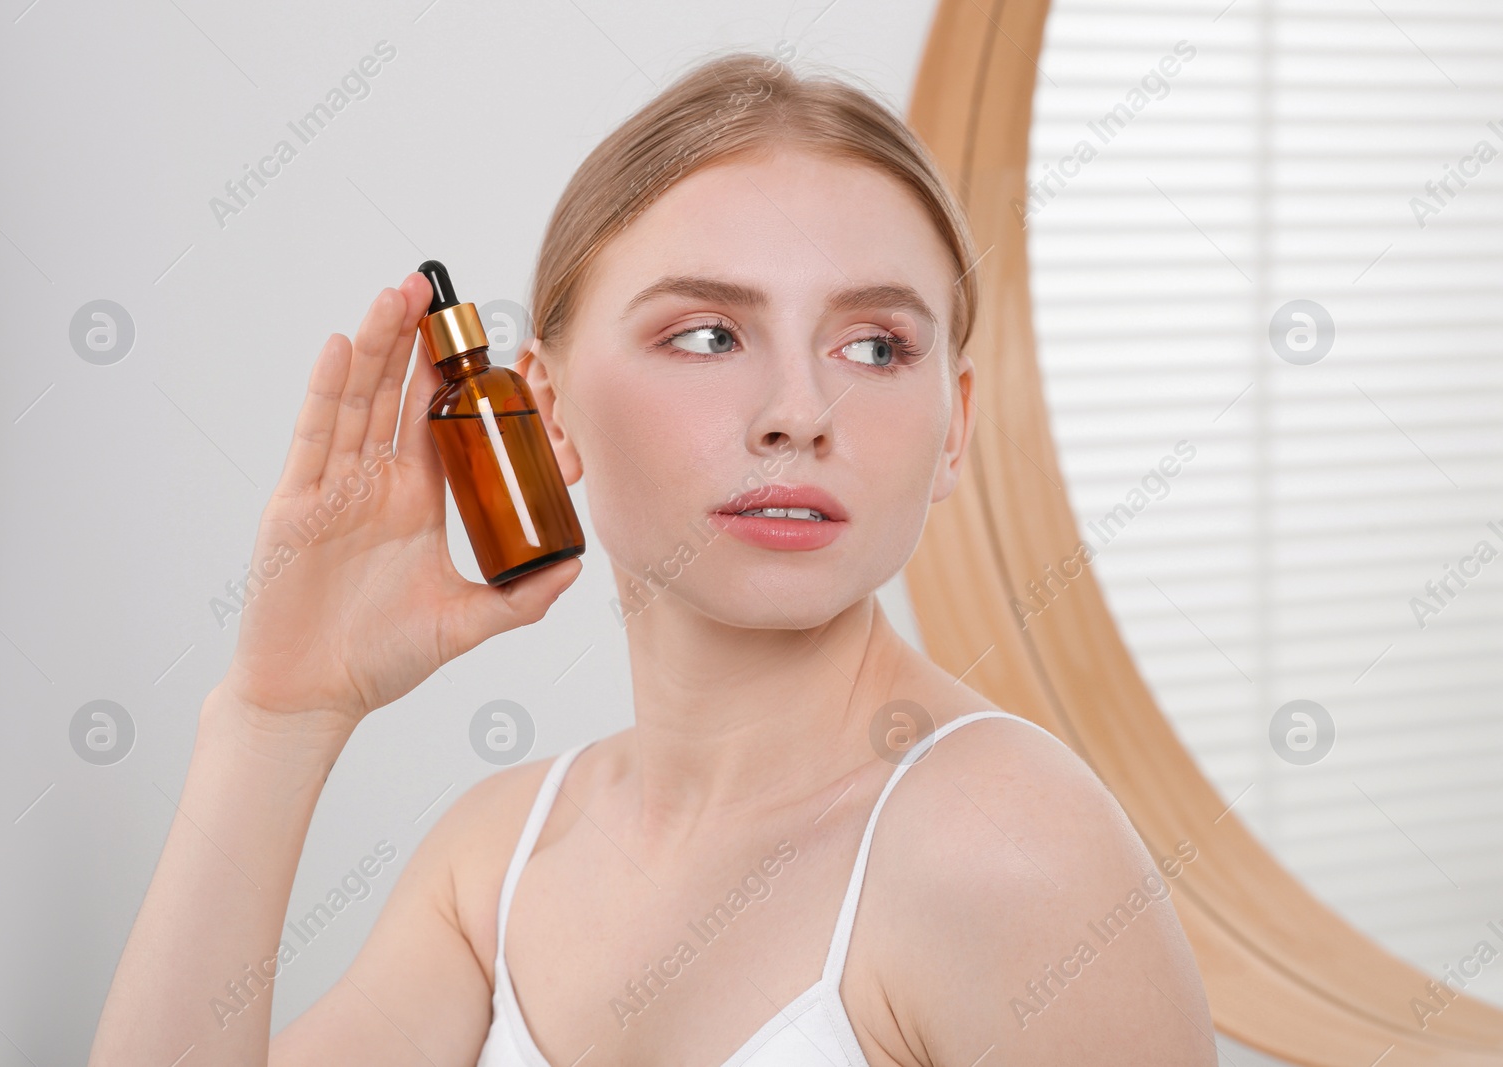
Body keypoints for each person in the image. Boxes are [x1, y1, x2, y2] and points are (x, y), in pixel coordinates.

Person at [90, 50, 1215, 1066]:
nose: (796, 411)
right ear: (546, 411)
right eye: (709, 334)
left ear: (953, 427)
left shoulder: (1010, 849)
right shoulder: (497, 862)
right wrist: (275, 716)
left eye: (874, 345)